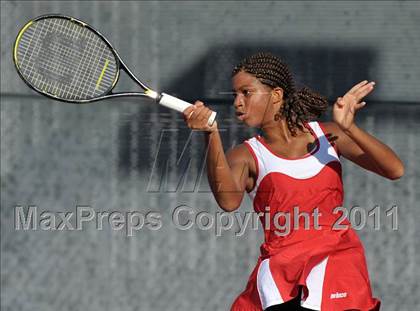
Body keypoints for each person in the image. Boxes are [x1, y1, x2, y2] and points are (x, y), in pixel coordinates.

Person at [183, 52, 404, 310]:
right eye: (235, 96)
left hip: (337, 265)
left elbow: (394, 169)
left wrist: (349, 127)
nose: (238, 103)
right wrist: (211, 135)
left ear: (276, 95)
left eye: (246, 92)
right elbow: (229, 201)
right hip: (281, 277)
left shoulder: (329, 135)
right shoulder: (245, 154)